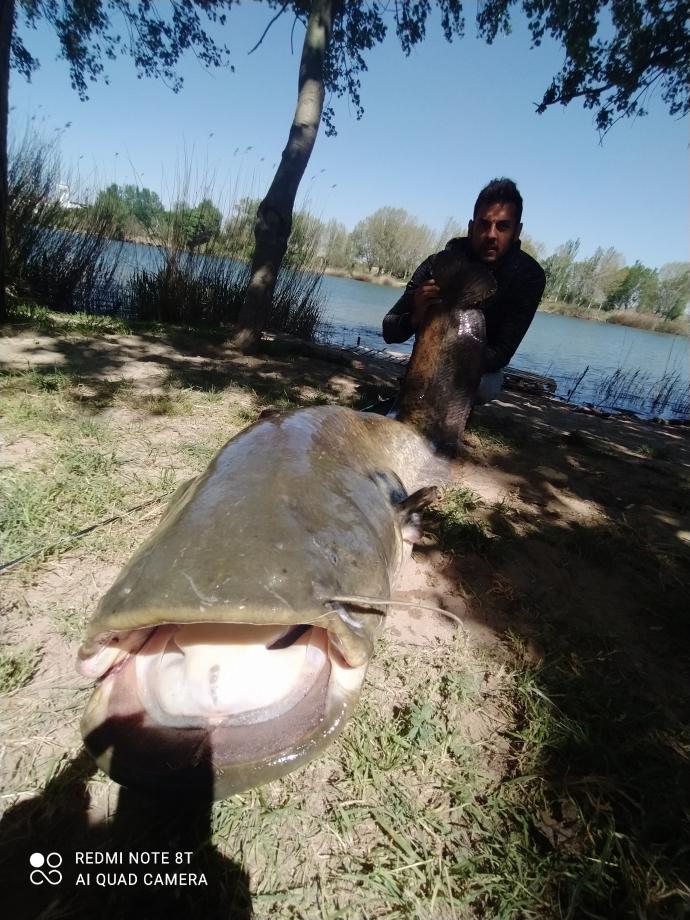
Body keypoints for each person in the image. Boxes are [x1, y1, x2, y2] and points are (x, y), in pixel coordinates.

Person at [382, 177, 546, 404]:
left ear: (517, 231)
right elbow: (389, 330)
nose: (491, 235)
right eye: (484, 224)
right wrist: (415, 317)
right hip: (426, 360)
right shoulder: (435, 265)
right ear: (471, 227)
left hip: (474, 370)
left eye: (503, 227)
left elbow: (501, 354)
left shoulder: (529, 277)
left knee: (486, 387)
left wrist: (447, 365)